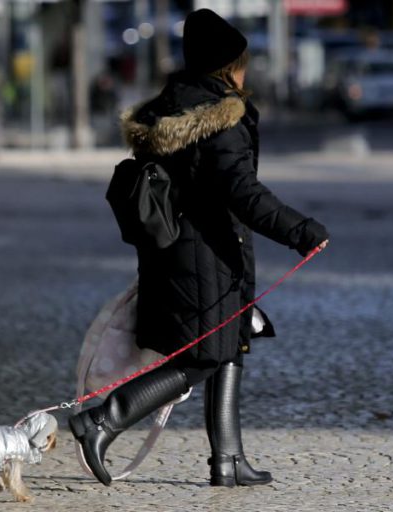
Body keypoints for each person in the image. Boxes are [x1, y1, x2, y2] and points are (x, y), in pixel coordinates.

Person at [70, 9, 330, 488]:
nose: (245, 71)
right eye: (242, 62)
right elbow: (243, 193)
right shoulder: (219, 120)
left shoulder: (171, 107)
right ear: (227, 66)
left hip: (183, 253)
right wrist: (301, 229)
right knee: (199, 358)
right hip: (204, 255)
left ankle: (227, 460)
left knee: (230, 345)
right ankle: (101, 422)